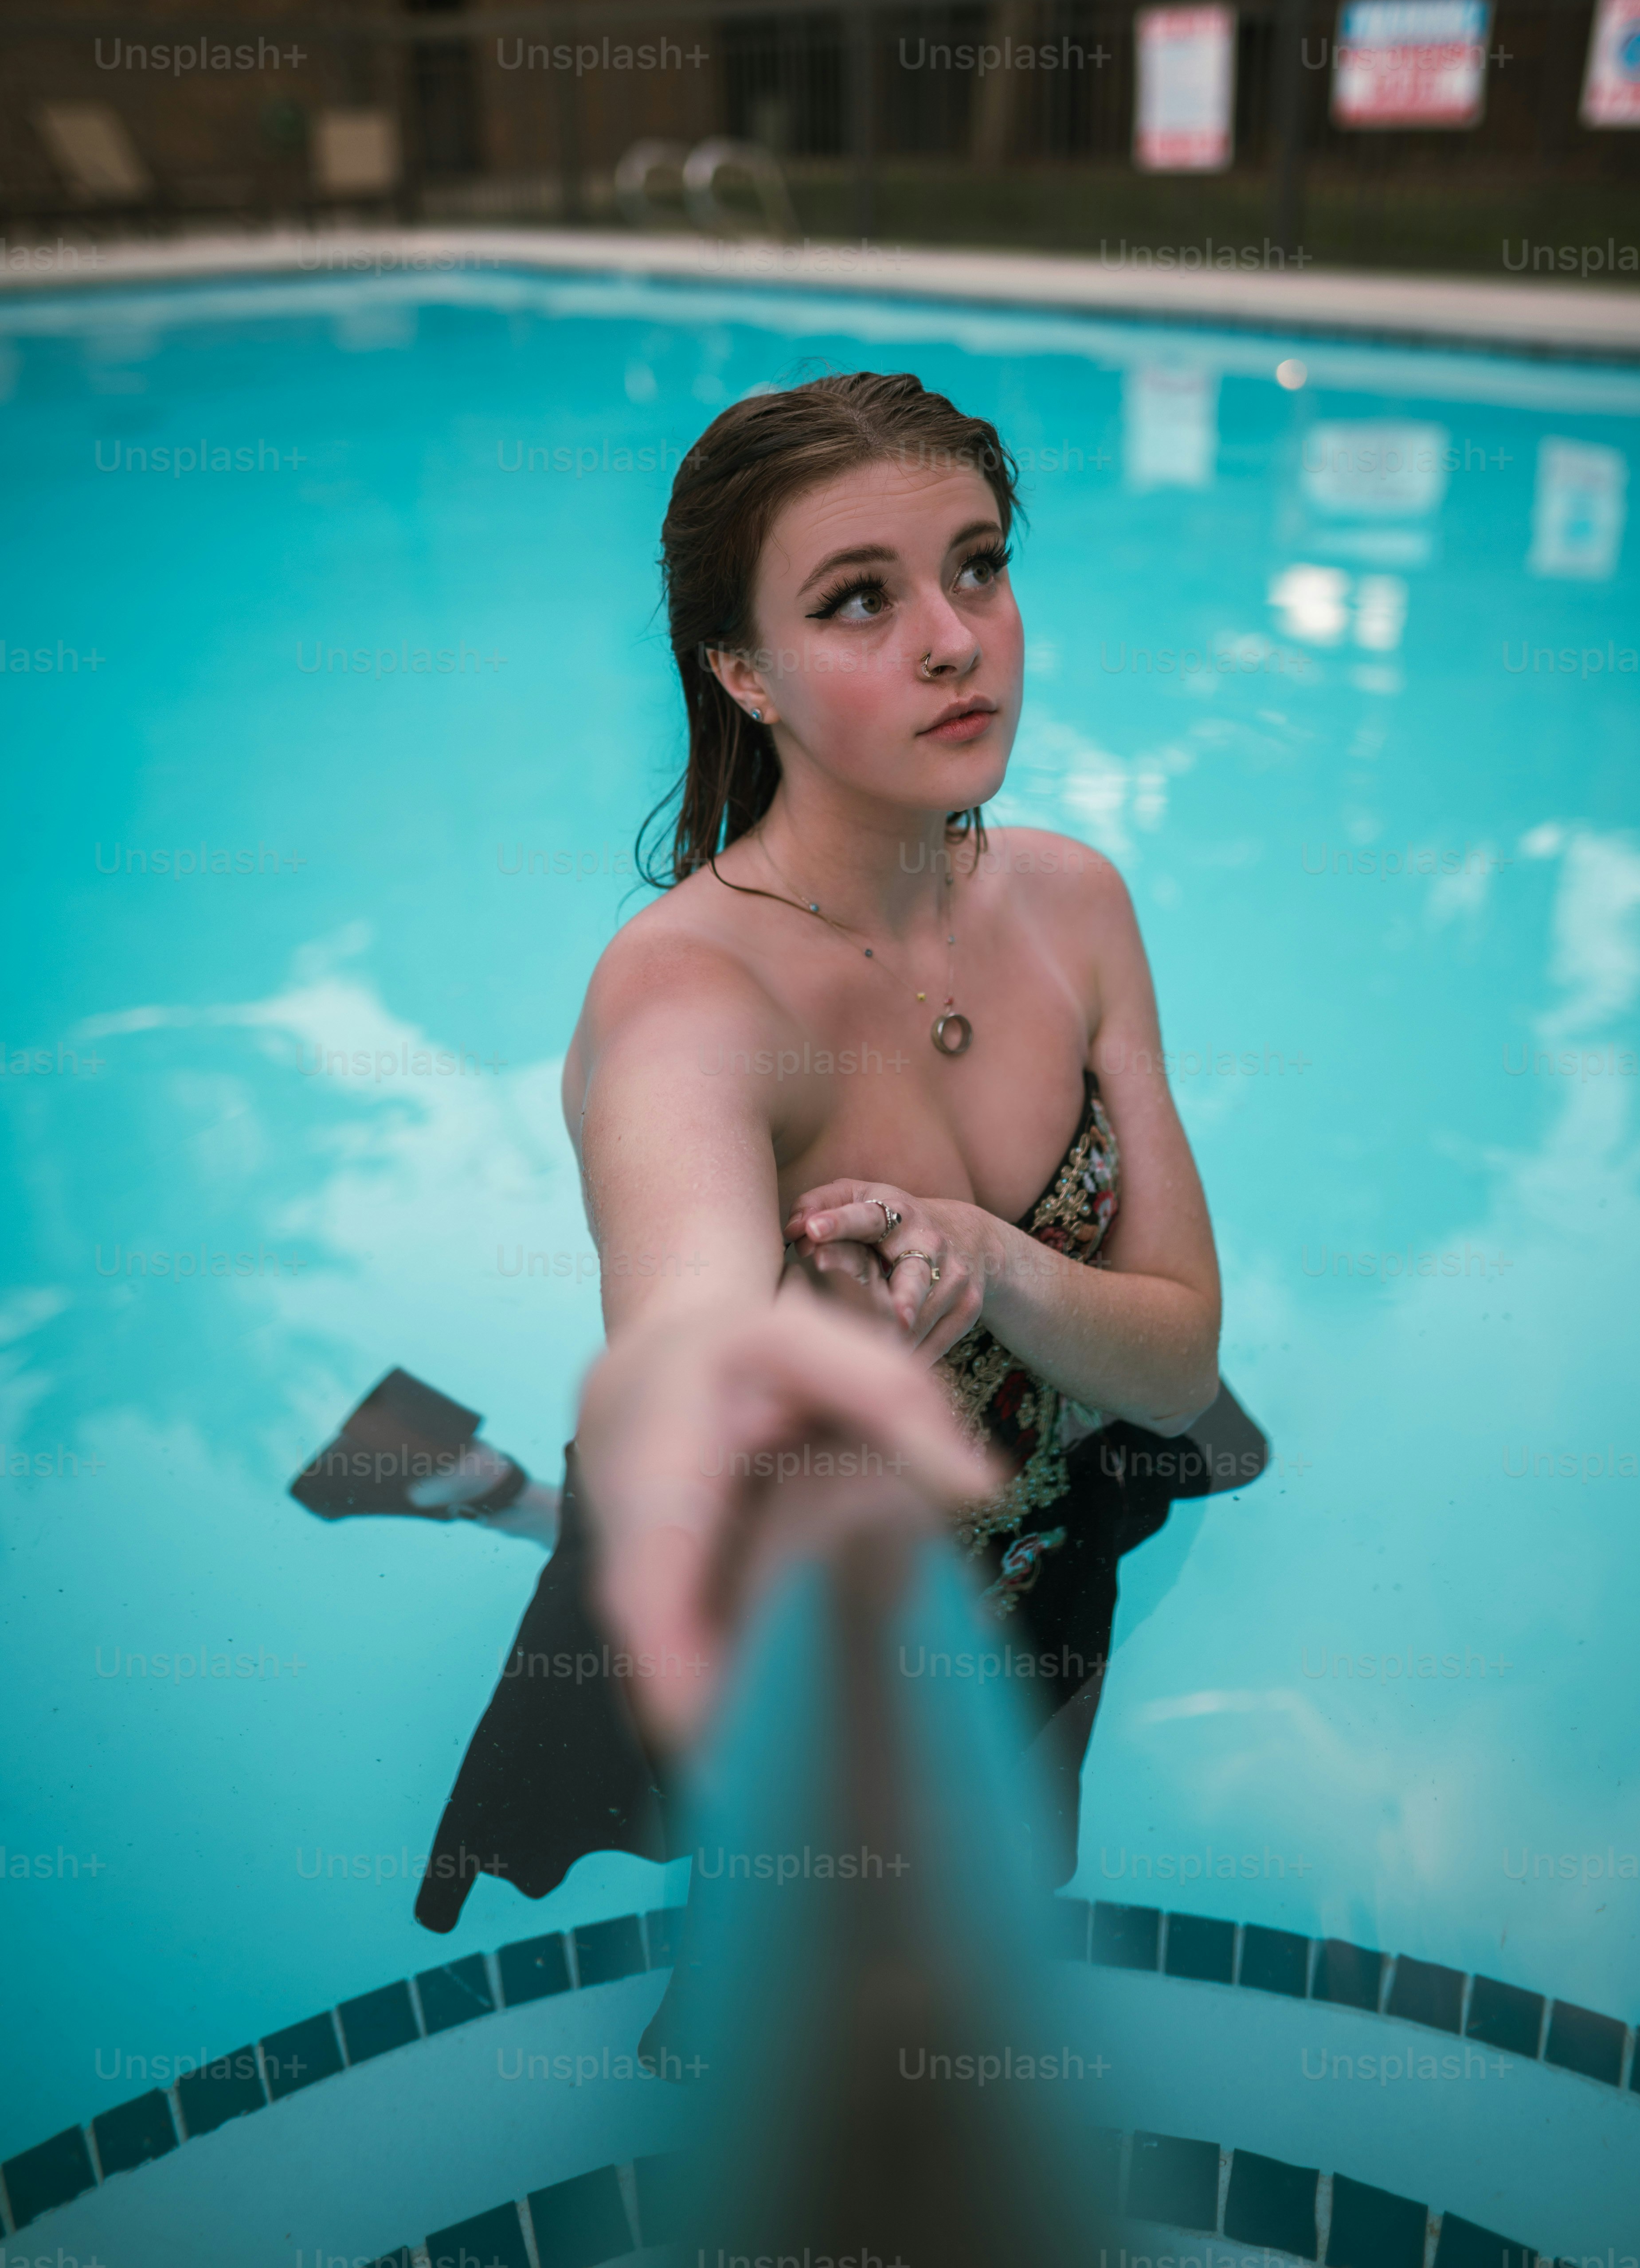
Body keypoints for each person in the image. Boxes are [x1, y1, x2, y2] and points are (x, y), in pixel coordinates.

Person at [412, 370, 1256, 1936]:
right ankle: (494, 1492)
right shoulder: (691, 1001)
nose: (955, 638)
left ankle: (488, 1486)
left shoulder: (1076, 906)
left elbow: (1180, 1358)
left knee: (1010, 1869)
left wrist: (995, 1258)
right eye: (859, 599)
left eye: (980, 565)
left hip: (1042, 1535)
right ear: (743, 669)